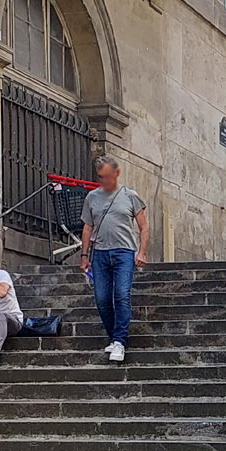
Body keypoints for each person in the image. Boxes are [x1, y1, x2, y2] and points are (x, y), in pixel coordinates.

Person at [80, 155, 149, 363]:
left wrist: (142, 251)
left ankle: (119, 340)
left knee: (121, 295)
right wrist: (84, 255)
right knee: (102, 299)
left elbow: (143, 226)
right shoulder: (91, 198)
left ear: (116, 174)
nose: (104, 181)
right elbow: (87, 227)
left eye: (108, 176)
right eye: (101, 177)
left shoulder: (130, 196)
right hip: (100, 253)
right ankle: (114, 336)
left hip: (124, 252)